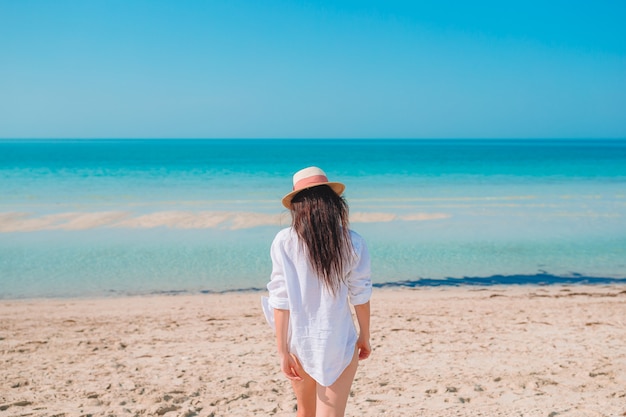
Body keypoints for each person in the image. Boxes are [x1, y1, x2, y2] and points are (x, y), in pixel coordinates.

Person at [262, 166, 372, 417]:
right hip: (338, 339)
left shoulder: (284, 241)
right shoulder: (353, 242)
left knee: (305, 411)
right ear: (333, 203)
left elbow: (280, 300)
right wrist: (364, 336)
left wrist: (282, 351)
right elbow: (360, 294)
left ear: (297, 206)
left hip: (298, 341)